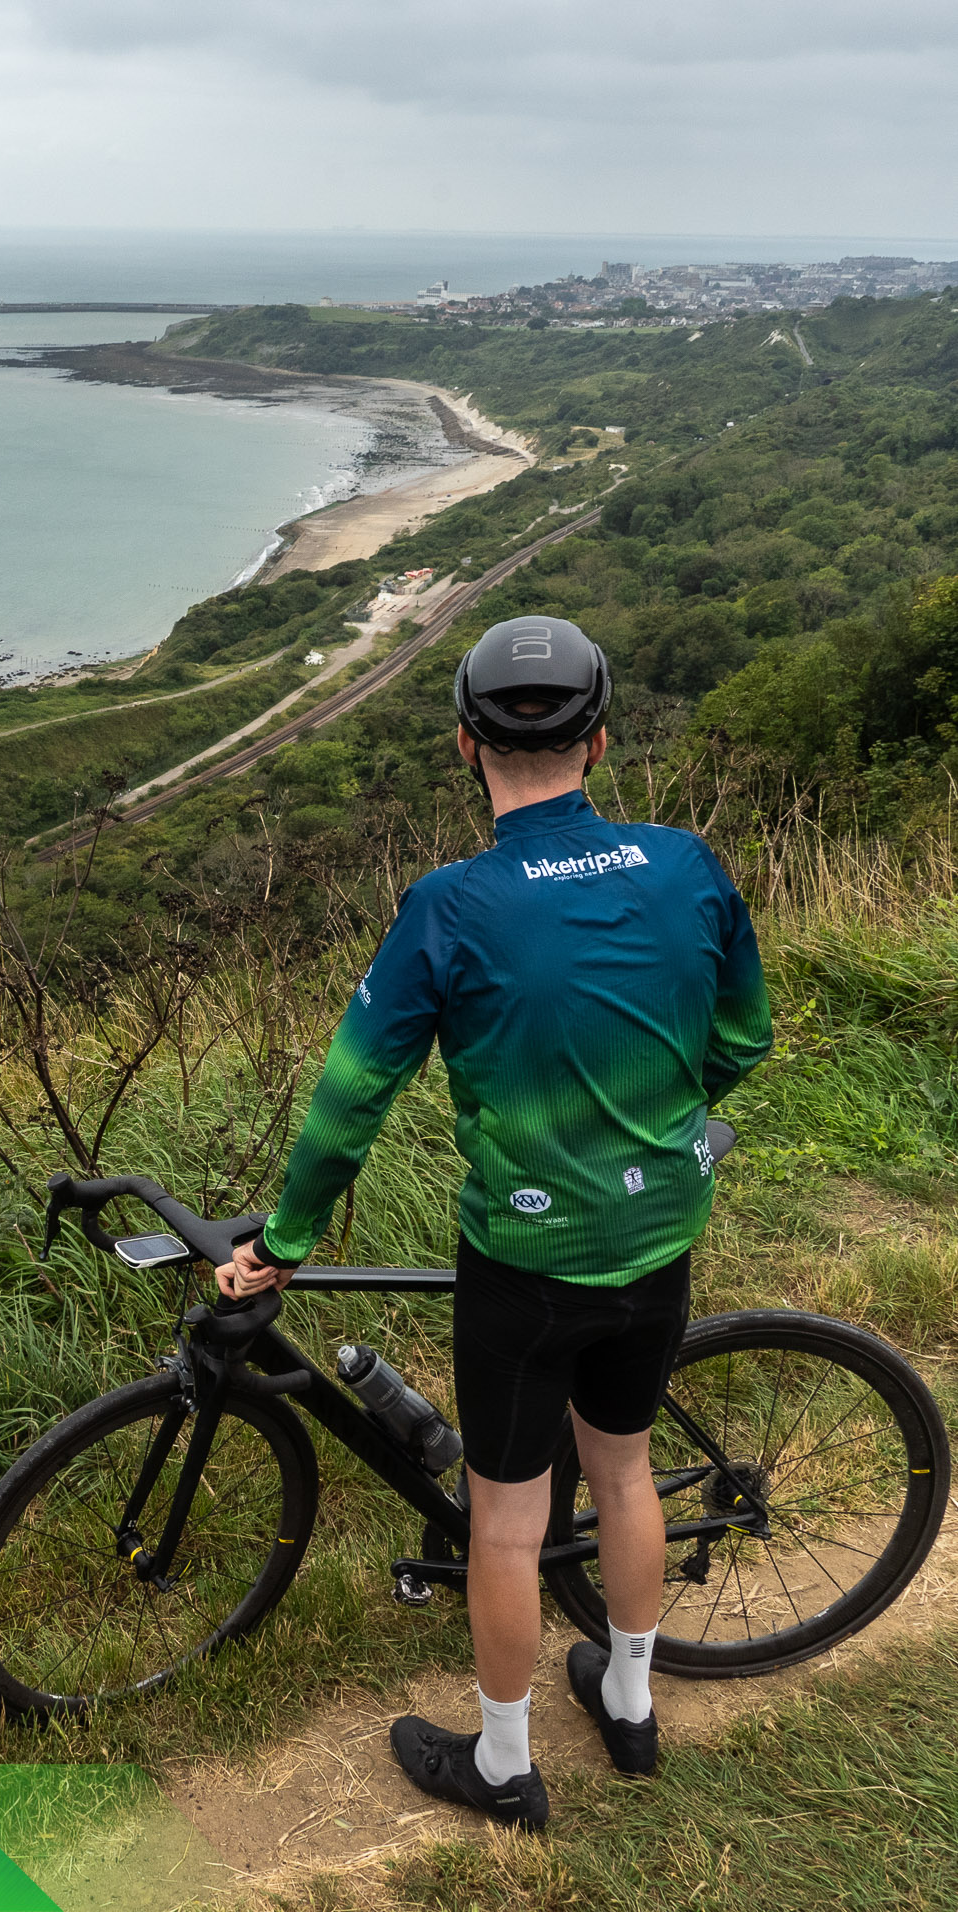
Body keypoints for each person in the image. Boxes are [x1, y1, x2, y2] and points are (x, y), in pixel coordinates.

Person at [217, 614, 773, 1831]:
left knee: (510, 1520)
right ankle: (630, 1704)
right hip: (662, 1230)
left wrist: (283, 1242)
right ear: (603, 741)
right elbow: (743, 1035)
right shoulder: (687, 863)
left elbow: (353, 1096)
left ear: (465, 746)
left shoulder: (449, 905)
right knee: (622, 1472)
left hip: (524, 1262)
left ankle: (507, 1765)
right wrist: (660, 1123)